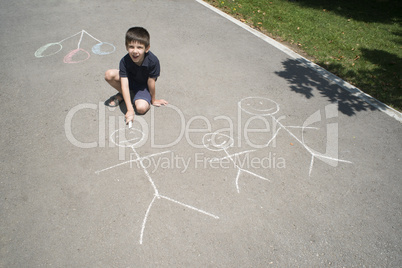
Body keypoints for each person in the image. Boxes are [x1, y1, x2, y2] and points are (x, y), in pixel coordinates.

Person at [104, 27, 168, 125]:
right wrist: (130, 110)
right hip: (130, 82)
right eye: (131, 47)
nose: (135, 51)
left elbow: (151, 82)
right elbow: (124, 84)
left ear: (147, 48)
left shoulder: (153, 61)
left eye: (139, 47)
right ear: (126, 47)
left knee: (141, 108)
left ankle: (132, 96)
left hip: (143, 86)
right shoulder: (124, 61)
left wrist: (153, 99)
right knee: (109, 75)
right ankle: (127, 95)